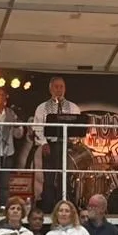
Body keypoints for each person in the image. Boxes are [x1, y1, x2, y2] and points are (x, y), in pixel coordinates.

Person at [30, 77, 81, 208]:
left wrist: (72, 142)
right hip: (50, 145)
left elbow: (77, 127)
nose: (59, 89)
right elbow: (37, 127)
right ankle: (48, 206)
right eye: (56, 87)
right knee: (49, 177)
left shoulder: (73, 107)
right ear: (50, 89)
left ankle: (64, 204)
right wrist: (44, 143)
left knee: (65, 176)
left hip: (66, 146)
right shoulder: (42, 108)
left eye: (61, 87)